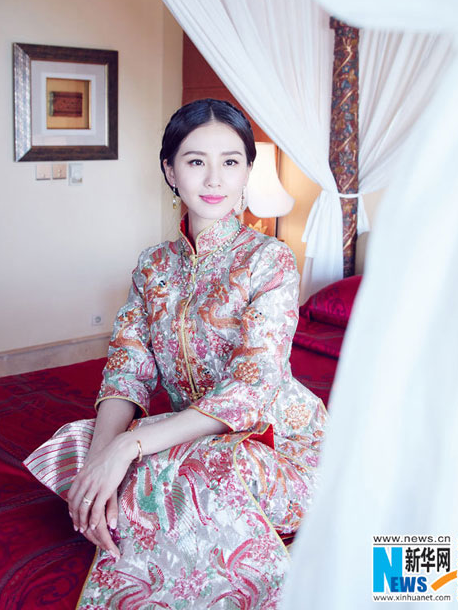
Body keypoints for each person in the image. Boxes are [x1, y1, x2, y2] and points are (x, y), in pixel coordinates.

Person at [24, 98, 326, 609]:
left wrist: (129, 450)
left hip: (276, 439)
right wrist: (103, 455)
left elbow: (252, 387)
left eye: (231, 161)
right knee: (82, 444)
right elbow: (128, 369)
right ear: (169, 170)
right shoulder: (153, 266)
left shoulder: (269, 259)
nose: (214, 179)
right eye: (195, 161)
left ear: (248, 170)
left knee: (185, 465)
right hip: (190, 426)